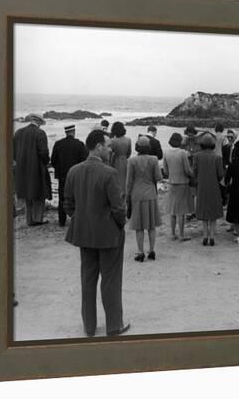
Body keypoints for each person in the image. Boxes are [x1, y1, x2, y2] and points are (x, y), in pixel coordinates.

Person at [63, 130, 130, 337]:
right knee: (111, 281)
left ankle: (89, 327)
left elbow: (68, 204)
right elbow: (119, 208)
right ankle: (113, 326)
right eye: (108, 145)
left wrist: (81, 218)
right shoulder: (109, 173)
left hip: (84, 233)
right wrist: (119, 224)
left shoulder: (73, 171)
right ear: (98, 147)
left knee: (88, 280)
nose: (111, 149)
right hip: (109, 235)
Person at [127, 136, 163, 261]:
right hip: (151, 193)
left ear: (137, 147)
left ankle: (140, 252)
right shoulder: (153, 159)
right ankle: (152, 251)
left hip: (137, 194)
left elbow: (129, 181)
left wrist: (127, 195)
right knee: (151, 225)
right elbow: (158, 177)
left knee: (139, 226)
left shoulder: (132, 161)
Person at [13, 113, 52, 226]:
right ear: (39, 122)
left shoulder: (18, 132)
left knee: (27, 194)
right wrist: (46, 163)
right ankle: (37, 219)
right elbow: (44, 152)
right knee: (39, 194)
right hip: (36, 168)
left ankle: (29, 219)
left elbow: (13, 152)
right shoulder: (40, 133)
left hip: (21, 169)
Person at [50, 125, 88, 226]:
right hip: (76, 176)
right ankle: (76, 219)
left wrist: (58, 170)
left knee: (62, 198)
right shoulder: (79, 144)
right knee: (77, 197)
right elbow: (84, 160)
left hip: (62, 176)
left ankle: (61, 221)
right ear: (74, 132)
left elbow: (53, 160)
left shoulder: (58, 144)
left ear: (66, 132)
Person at [162, 133, 195, 241]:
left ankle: (172, 234)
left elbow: (165, 171)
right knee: (181, 211)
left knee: (173, 211)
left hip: (172, 182)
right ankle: (181, 235)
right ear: (180, 141)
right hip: (182, 183)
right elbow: (187, 169)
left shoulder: (166, 152)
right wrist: (192, 174)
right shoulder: (183, 153)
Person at [194, 133, 225, 246]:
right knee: (213, 212)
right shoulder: (217, 157)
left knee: (203, 211)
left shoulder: (197, 156)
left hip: (202, 186)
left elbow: (195, 171)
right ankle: (212, 236)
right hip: (214, 187)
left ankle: (205, 236)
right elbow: (221, 174)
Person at [109, 121, 132, 193]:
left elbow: (110, 153)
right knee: (125, 179)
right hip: (125, 160)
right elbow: (129, 153)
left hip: (115, 160)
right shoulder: (128, 139)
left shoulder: (112, 141)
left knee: (116, 179)